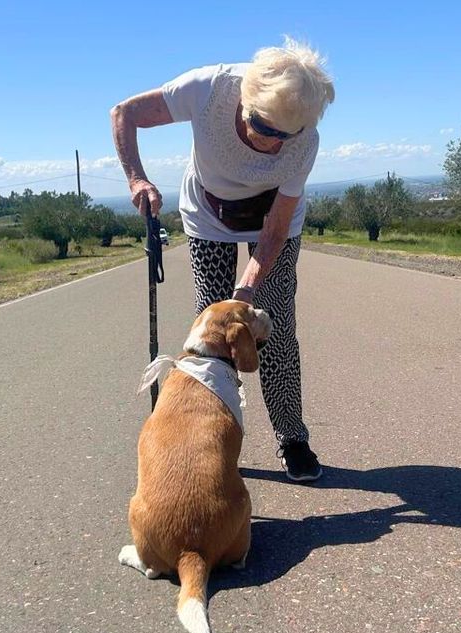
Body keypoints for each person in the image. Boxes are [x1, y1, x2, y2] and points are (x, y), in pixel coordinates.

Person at [111, 38, 335, 482]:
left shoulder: (303, 140)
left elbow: (274, 231)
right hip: (209, 216)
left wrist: (248, 290)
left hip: (272, 221)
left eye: (285, 136)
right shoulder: (208, 89)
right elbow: (126, 113)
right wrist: (136, 178)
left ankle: (292, 438)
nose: (273, 145)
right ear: (246, 101)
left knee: (274, 327)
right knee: (211, 334)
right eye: (263, 128)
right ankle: (202, 437)